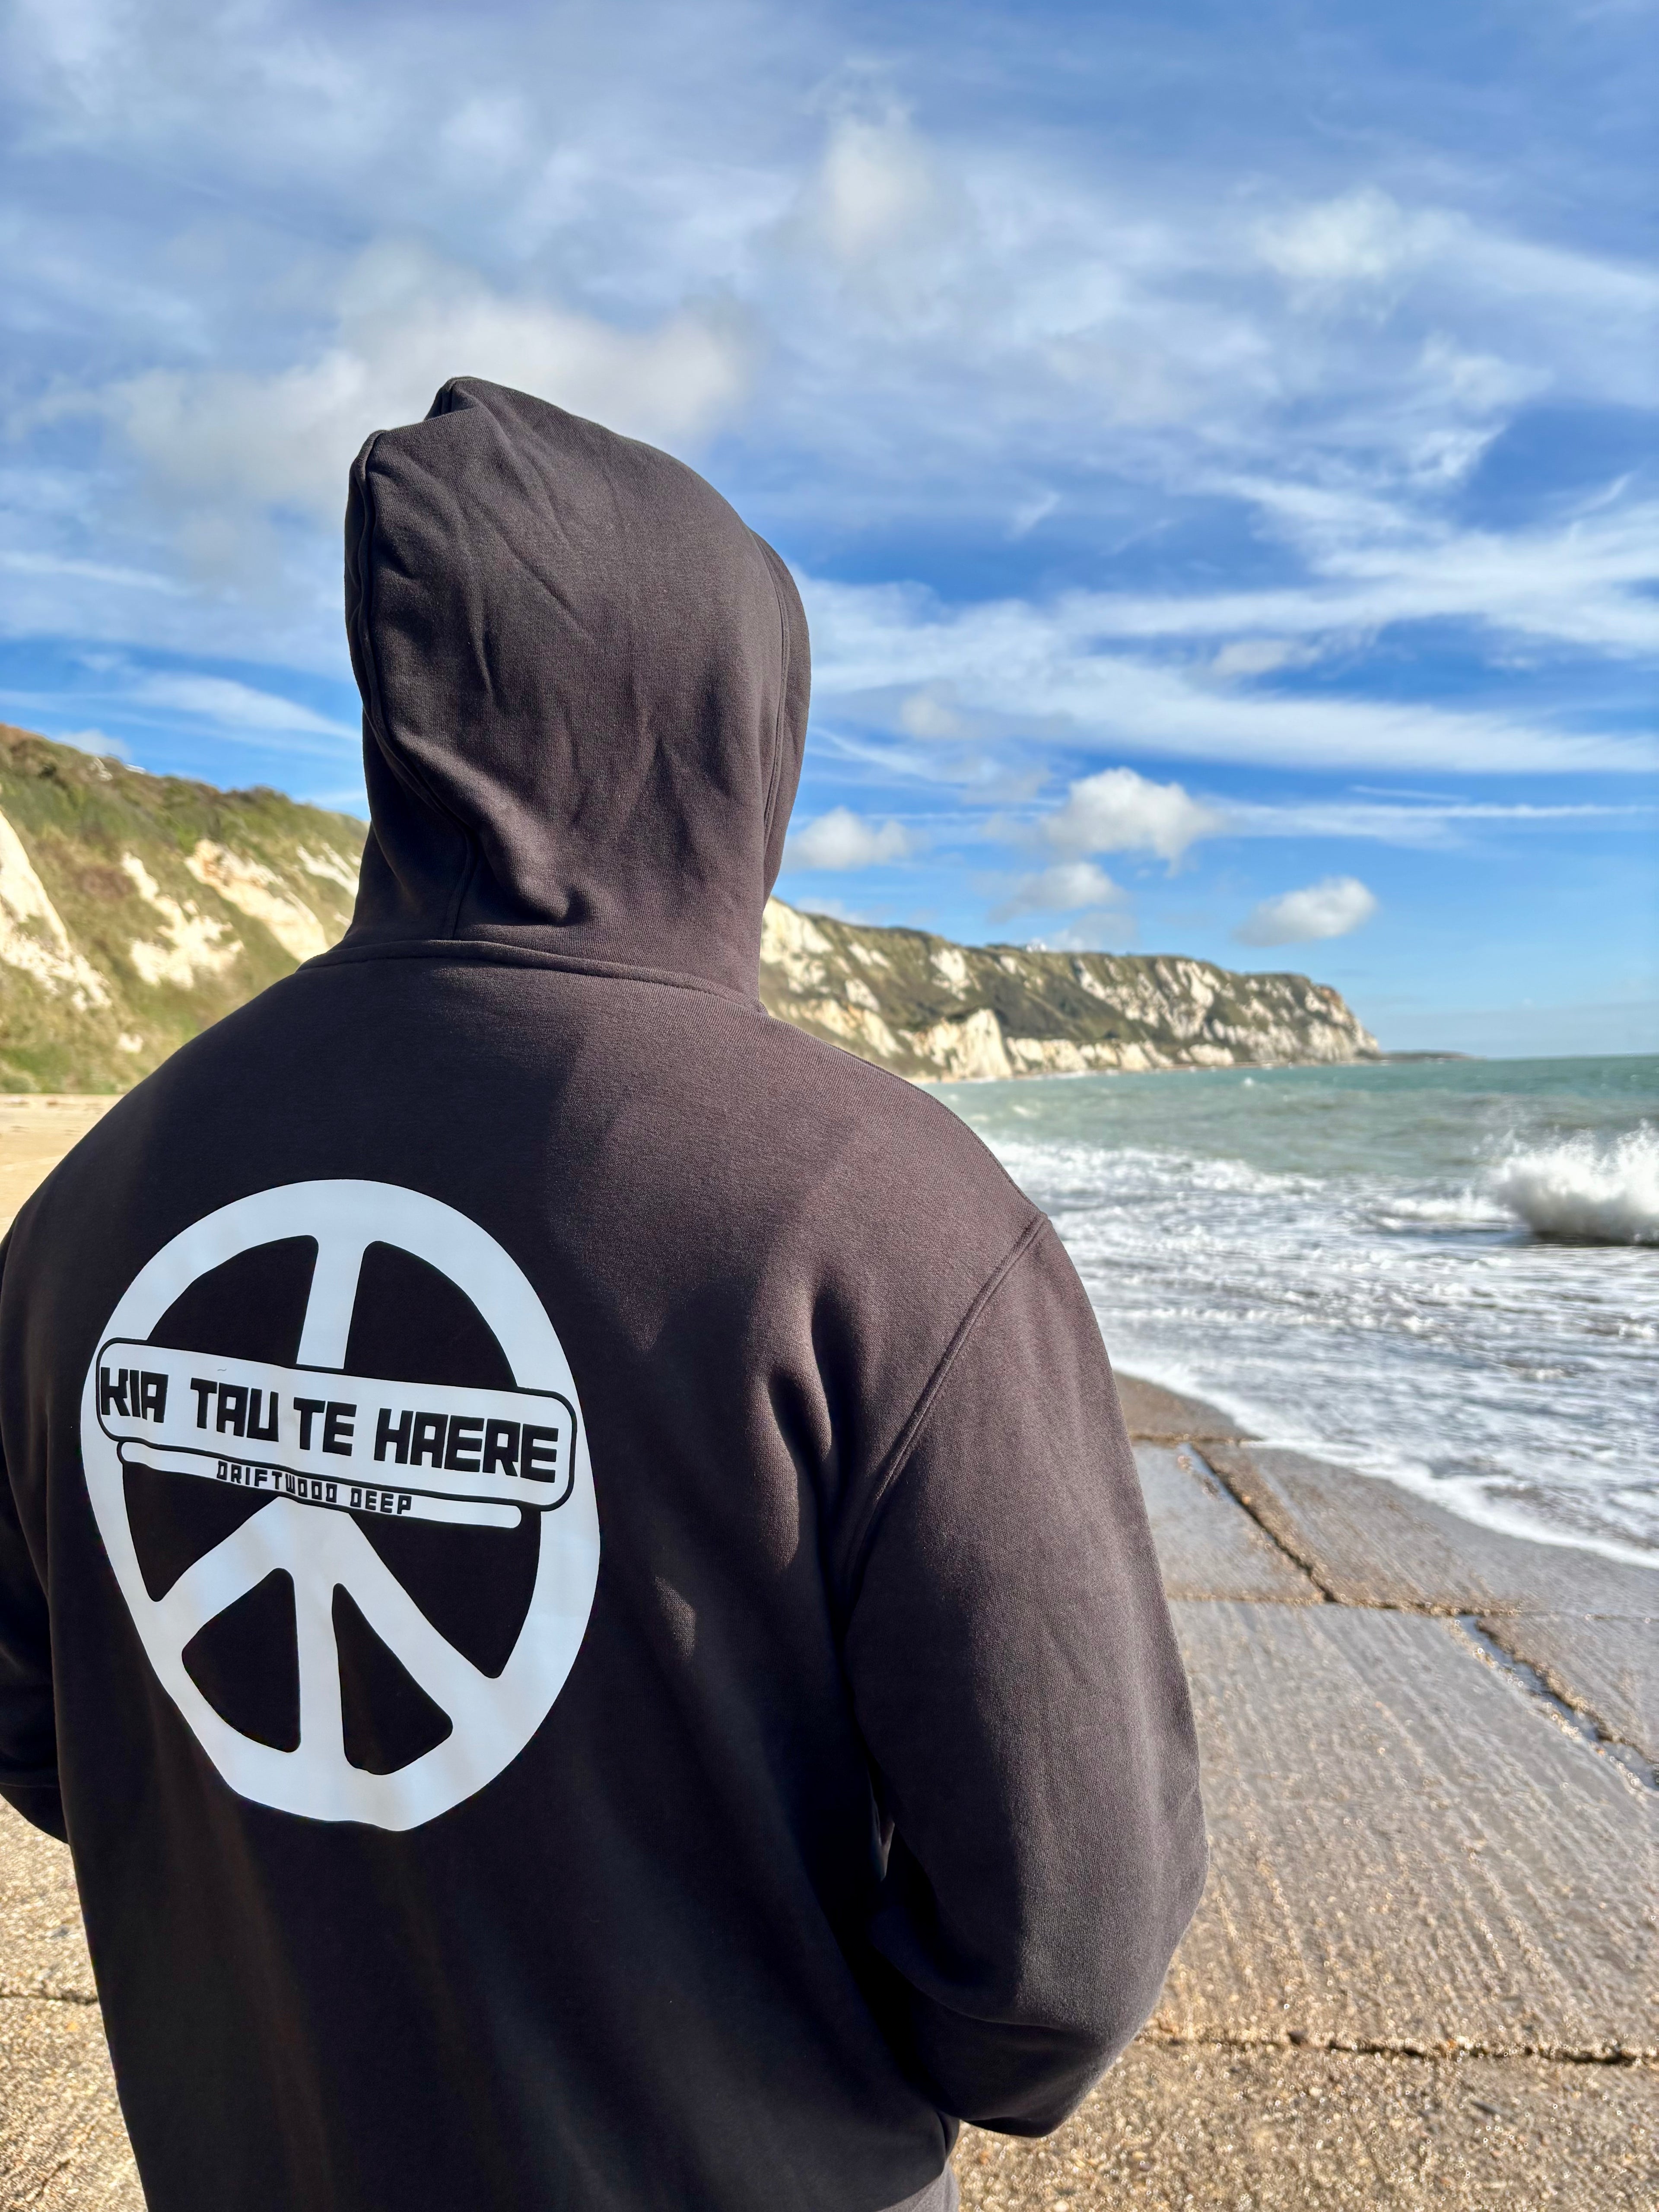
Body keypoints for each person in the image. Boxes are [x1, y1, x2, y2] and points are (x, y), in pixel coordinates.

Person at [0, 378, 1205, 2212]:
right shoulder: (879, 1215)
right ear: (730, 727)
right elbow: (1061, 1954)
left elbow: (49, 1724)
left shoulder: (99, 1203)